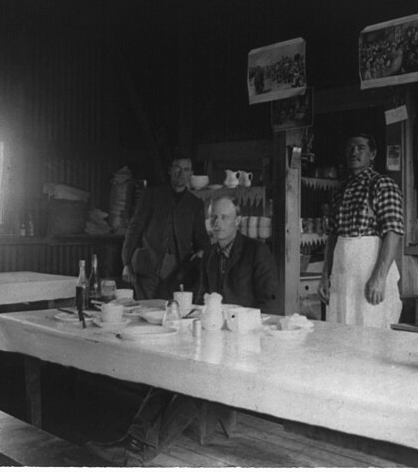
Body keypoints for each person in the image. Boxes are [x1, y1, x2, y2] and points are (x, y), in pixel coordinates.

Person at [86, 196, 280, 466]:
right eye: (213, 217)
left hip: (246, 346)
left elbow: (271, 305)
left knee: (194, 383)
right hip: (215, 340)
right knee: (170, 373)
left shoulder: (256, 252)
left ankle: (142, 452)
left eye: (224, 217)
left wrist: (237, 327)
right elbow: (202, 300)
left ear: (238, 221)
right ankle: (133, 438)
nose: (217, 223)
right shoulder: (210, 254)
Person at [318, 134, 404, 328]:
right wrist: (325, 275)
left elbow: (394, 232)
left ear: (372, 154)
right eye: (350, 148)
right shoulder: (341, 190)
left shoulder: (382, 184)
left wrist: (379, 278)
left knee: (371, 326)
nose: (354, 152)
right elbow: (333, 236)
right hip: (342, 271)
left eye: (360, 147)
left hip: (369, 269)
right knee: (341, 326)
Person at [121, 156, 211, 300]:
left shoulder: (195, 204)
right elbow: (134, 229)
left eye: (186, 169)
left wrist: (202, 251)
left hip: (178, 273)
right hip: (148, 268)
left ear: (190, 173)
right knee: (146, 312)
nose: (181, 173)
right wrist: (126, 263)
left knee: (171, 315)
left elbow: (201, 238)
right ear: (170, 170)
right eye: (177, 168)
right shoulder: (151, 195)